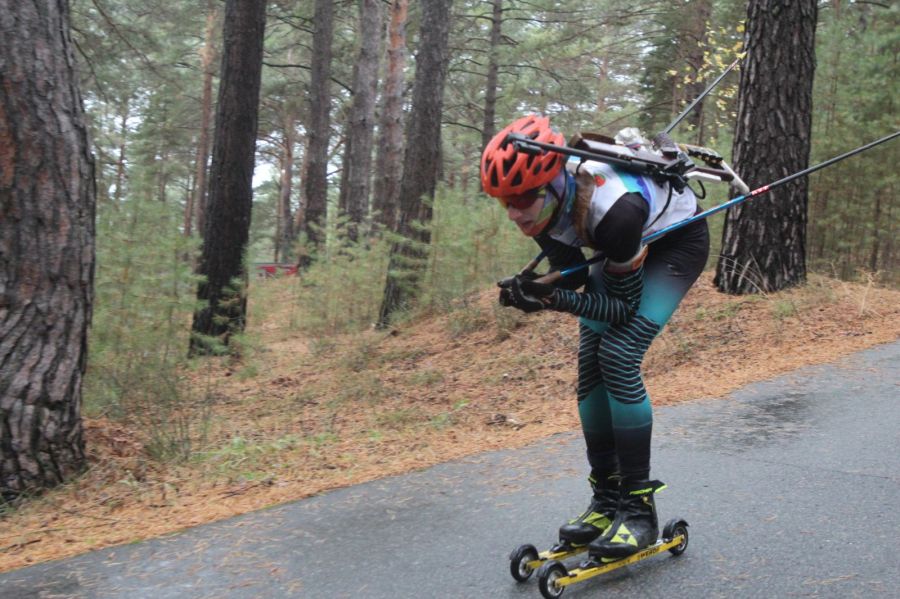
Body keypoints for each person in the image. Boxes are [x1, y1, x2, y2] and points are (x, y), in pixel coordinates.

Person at [482, 114, 709, 561]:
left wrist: (550, 299)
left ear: (552, 184)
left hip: (675, 245)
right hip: (623, 250)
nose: (515, 213)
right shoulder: (550, 204)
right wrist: (535, 289)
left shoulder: (615, 215)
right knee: (591, 365)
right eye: (504, 201)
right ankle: (607, 500)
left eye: (523, 199)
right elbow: (573, 273)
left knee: (619, 354)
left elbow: (620, 309)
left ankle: (639, 511)